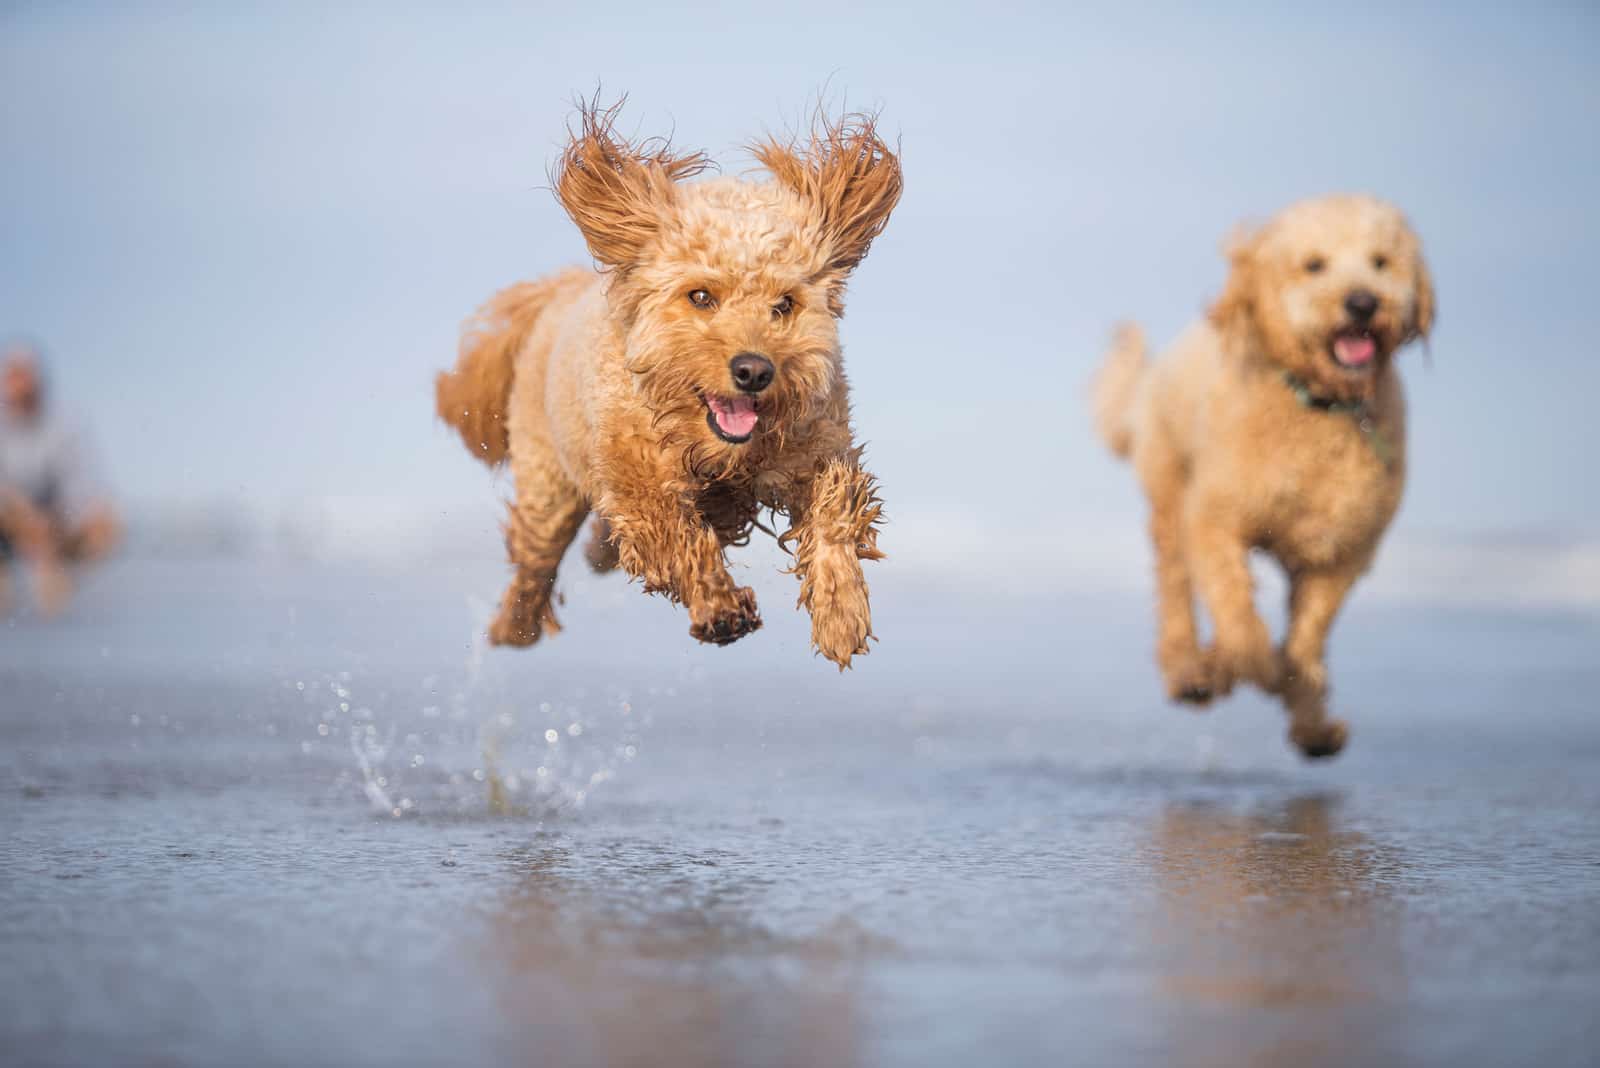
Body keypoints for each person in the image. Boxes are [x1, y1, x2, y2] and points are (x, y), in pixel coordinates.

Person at [0, 341, 120, 617]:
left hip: (53, 525)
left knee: (106, 524)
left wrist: (59, 521)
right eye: (12, 376)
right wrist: (21, 516)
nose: (18, 385)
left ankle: (61, 576)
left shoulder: (65, 426)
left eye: (24, 375)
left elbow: (84, 485)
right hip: (10, 523)